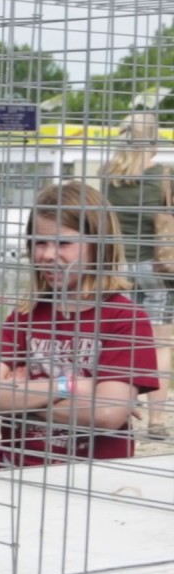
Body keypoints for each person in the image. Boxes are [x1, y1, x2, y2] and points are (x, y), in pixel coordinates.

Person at [0, 182, 159, 468]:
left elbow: (106, 415)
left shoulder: (124, 318)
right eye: (40, 242)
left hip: (93, 478)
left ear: (99, 246)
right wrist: (72, 386)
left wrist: (22, 397)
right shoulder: (25, 314)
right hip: (16, 473)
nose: (48, 255)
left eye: (63, 243)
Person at [99, 111, 173, 440]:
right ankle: (156, 420)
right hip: (156, 268)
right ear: (154, 138)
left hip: (118, 267)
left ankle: (116, 412)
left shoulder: (108, 175)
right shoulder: (163, 176)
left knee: (120, 341)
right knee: (160, 344)